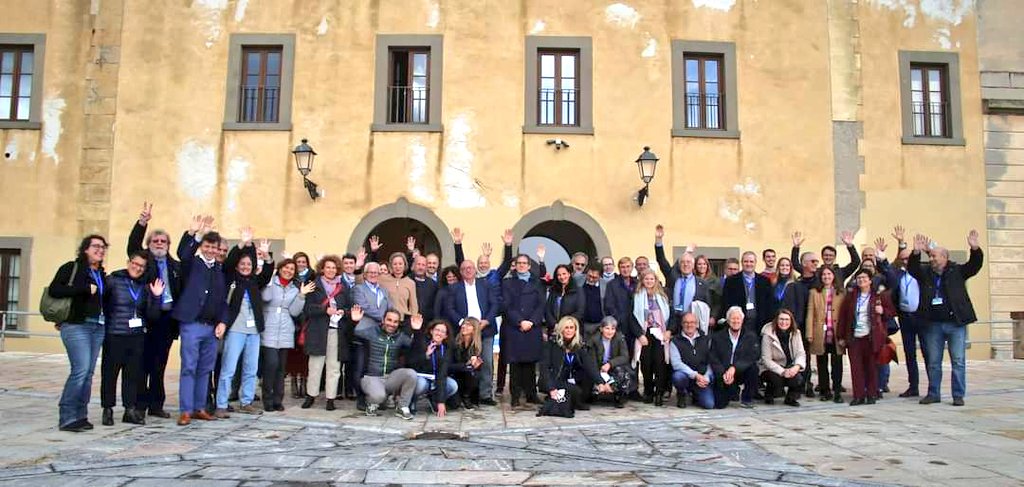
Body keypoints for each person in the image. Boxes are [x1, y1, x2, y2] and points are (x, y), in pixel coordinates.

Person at [910, 230, 983, 406]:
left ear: (945, 257)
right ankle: (933, 393)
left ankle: (958, 395)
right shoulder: (926, 272)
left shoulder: (957, 270)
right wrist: (916, 253)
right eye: (931, 256)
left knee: (958, 360)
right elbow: (912, 269)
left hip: (955, 324)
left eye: (935, 256)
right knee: (934, 362)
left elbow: (975, 265)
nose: (932, 259)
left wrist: (975, 249)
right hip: (933, 324)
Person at [127, 202, 182, 419]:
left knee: (160, 364)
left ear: (168, 244)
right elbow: (132, 245)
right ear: (149, 244)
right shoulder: (144, 261)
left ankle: (156, 405)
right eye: (155, 240)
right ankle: (140, 404)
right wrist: (142, 223)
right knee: (143, 363)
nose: (159, 243)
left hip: (167, 320)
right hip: (147, 318)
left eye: (163, 241)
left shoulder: (175, 266)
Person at [50, 234, 109, 432]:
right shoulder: (71, 268)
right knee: (80, 370)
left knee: (89, 373)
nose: (100, 250)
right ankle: (67, 416)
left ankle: (80, 415)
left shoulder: (101, 274)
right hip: (77, 326)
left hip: (98, 326)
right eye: (95, 246)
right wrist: (83, 288)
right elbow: (55, 290)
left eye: (103, 247)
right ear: (85, 249)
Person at [172, 215, 227, 426]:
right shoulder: (192, 263)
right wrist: (192, 233)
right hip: (191, 324)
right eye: (208, 246)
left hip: (211, 327)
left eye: (215, 247)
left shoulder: (219, 270)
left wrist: (223, 321)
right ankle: (185, 410)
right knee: (189, 367)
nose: (211, 250)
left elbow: (222, 300)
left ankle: (199, 407)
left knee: (205, 368)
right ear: (202, 246)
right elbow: (182, 253)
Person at [214, 231, 275, 418]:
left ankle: (246, 401)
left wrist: (266, 257)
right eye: (243, 264)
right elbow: (231, 260)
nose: (246, 266)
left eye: (249, 264)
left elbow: (267, 272)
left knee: (251, 368)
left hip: (254, 330)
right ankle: (221, 404)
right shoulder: (230, 278)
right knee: (229, 368)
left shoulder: (254, 281)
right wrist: (242, 244)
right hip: (235, 329)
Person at [101, 250, 164, 426]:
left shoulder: (144, 287)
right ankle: (107, 409)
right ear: (129, 262)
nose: (137, 268)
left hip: (136, 337)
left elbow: (152, 315)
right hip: (114, 334)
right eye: (134, 264)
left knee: (132, 375)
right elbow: (103, 305)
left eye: (141, 266)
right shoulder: (113, 280)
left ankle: (129, 409)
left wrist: (156, 297)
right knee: (110, 374)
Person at [260, 258, 315, 412]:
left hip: (285, 330)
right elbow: (265, 297)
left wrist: (301, 296)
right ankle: (267, 398)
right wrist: (270, 279)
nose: (288, 271)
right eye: (286, 267)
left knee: (281, 369)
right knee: (270, 365)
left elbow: (294, 311)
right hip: (269, 328)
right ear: (280, 268)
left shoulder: (294, 289)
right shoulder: (271, 282)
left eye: (292, 269)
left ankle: (278, 399)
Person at [444, 260, 500, 405]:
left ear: (475, 270)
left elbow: (495, 304)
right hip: (465, 331)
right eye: (464, 269)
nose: (467, 270)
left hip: (485, 328)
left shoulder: (485, 284)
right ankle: (466, 394)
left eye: (470, 268)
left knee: (486, 361)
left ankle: (485, 394)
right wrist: (463, 323)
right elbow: (450, 308)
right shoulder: (454, 288)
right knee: (466, 362)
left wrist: (487, 320)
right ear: (461, 272)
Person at [837, 269, 896, 405]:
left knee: (871, 367)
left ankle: (871, 394)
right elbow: (843, 317)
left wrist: (883, 311)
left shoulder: (879, 296)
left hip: (872, 336)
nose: (861, 280)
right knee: (856, 368)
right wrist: (841, 336)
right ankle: (858, 395)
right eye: (858, 278)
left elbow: (891, 313)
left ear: (870, 280)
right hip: (854, 337)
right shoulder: (851, 297)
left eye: (864, 278)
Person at [304, 255, 355, 411]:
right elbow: (307, 309)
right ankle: (311, 395)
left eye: (334, 267)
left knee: (334, 367)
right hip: (318, 330)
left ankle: (330, 398)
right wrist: (324, 310)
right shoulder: (314, 285)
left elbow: (350, 308)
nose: (331, 270)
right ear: (322, 269)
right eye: (328, 267)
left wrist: (342, 312)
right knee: (315, 365)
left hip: (336, 331)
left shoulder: (343, 287)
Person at [882, 226, 925, 398]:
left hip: (922, 318)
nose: (906, 261)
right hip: (906, 317)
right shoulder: (898, 275)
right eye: (903, 259)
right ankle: (913, 386)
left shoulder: (923, 273)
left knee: (928, 353)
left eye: (908, 258)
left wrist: (905, 244)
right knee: (909, 354)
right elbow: (887, 267)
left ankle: (932, 387)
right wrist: (899, 244)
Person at [355, 308, 418, 419]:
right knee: (379, 396)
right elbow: (353, 334)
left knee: (411, 374)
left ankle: (402, 407)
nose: (392, 324)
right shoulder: (372, 332)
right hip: (371, 377)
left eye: (395, 322)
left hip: (390, 378)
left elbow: (414, 347)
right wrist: (354, 322)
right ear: (383, 320)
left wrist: (416, 331)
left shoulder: (400, 337)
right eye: (389, 320)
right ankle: (372, 403)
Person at [539, 316, 613, 411]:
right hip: (555, 379)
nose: (569, 330)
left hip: (571, 378)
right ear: (561, 329)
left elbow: (589, 365)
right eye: (566, 328)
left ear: (575, 330)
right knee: (575, 391)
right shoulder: (551, 345)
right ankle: (570, 401)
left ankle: (572, 399)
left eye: (571, 328)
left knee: (587, 383)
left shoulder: (578, 345)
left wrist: (601, 382)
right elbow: (544, 369)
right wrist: (551, 389)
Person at [501, 254, 545, 408]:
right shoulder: (507, 282)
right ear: (515, 265)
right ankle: (515, 396)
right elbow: (507, 305)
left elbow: (541, 305)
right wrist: (520, 321)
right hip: (515, 326)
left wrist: (532, 321)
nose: (521, 265)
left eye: (524, 263)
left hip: (532, 327)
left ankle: (531, 394)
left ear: (529, 266)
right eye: (518, 263)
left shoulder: (537, 282)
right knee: (515, 364)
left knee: (530, 363)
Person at [781, 242, 820, 396]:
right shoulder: (795, 285)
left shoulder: (820, 282)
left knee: (819, 357)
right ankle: (801, 383)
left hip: (817, 325)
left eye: (817, 262)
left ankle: (821, 385)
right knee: (800, 355)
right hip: (799, 325)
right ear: (804, 264)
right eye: (813, 261)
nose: (816, 264)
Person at [629, 269, 672, 406]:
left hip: (661, 332)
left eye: (651, 279)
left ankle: (659, 392)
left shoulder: (663, 295)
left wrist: (669, 331)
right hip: (644, 333)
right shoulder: (636, 296)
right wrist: (639, 334)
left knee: (660, 363)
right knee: (646, 363)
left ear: (656, 280)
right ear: (642, 281)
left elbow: (671, 316)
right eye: (646, 279)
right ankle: (648, 391)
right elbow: (631, 317)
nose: (649, 281)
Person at [806, 266, 845, 403]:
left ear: (834, 276)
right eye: (824, 275)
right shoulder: (814, 292)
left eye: (829, 274)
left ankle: (837, 391)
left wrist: (844, 335)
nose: (826, 277)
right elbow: (810, 313)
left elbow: (845, 315)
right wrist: (809, 333)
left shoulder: (841, 292)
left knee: (837, 363)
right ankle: (825, 390)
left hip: (836, 333)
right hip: (820, 333)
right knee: (821, 363)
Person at [709, 306, 760, 409]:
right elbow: (713, 358)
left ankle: (747, 399)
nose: (735, 321)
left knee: (753, 368)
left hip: (741, 370)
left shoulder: (750, 336)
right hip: (723, 373)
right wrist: (723, 373)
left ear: (742, 320)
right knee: (719, 404)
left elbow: (752, 356)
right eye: (733, 318)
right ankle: (732, 391)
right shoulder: (718, 337)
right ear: (728, 320)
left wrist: (734, 368)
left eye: (738, 318)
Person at [408, 318, 458, 416]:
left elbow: (442, 374)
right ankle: (412, 400)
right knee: (421, 384)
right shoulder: (422, 342)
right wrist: (426, 355)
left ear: (446, 335)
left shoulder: (447, 349)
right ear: (431, 331)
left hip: (436, 379)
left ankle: (434, 399)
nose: (439, 333)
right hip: (421, 377)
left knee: (452, 385)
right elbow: (411, 363)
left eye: (443, 331)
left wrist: (441, 402)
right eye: (437, 330)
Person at [759, 309, 806, 407]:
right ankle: (769, 393)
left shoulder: (796, 333)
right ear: (776, 320)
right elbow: (766, 359)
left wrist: (796, 367)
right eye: (781, 319)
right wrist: (782, 371)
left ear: (791, 321)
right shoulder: (768, 334)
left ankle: (791, 398)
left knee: (798, 378)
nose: (784, 322)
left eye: (787, 320)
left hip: (790, 365)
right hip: (771, 368)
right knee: (776, 379)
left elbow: (800, 353)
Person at [719, 251, 773, 335]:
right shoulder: (731, 281)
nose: (748, 264)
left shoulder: (764, 281)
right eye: (746, 261)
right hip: (738, 324)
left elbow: (769, 304)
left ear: (755, 263)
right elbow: (726, 302)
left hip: (759, 324)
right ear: (742, 263)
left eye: (751, 261)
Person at [668, 313, 714, 409]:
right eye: (686, 322)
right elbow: (676, 364)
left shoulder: (705, 339)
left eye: (692, 322)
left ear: (696, 324)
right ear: (682, 324)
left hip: (702, 378)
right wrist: (695, 375)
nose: (689, 325)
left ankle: (696, 396)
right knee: (678, 376)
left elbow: (711, 361)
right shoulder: (675, 341)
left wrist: (706, 377)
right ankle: (682, 394)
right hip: (686, 376)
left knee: (709, 405)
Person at [287, 252, 316, 400]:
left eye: (304, 261)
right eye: (298, 261)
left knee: (306, 354)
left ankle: (304, 382)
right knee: (293, 354)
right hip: (293, 319)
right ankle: (293, 382)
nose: (301, 264)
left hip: (308, 319)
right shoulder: (291, 278)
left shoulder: (313, 277)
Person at [587, 316, 630, 408]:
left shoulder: (620, 338)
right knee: (589, 374)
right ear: (601, 329)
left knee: (622, 372)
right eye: (607, 328)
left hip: (612, 366)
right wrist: (601, 380)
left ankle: (618, 396)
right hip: (598, 367)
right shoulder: (594, 340)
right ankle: (595, 394)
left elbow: (625, 357)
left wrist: (610, 364)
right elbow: (592, 362)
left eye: (613, 329)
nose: (610, 331)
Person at [791, 230, 860, 284]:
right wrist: (796, 247)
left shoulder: (841, 272)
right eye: (826, 255)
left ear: (835, 257)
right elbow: (796, 265)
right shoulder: (815, 272)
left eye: (831, 255)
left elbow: (856, 262)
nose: (828, 257)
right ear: (822, 256)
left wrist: (850, 246)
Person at [603, 257, 637, 361]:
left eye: (627, 267)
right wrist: (619, 320)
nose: (625, 269)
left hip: (636, 326)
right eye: (622, 267)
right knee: (620, 355)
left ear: (632, 268)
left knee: (635, 357)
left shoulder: (637, 284)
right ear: (619, 268)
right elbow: (609, 305)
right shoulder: (612, 285)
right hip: (620, 326)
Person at [450, 318, 484, 410]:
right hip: (454, 375)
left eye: (468, 325)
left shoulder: (477, 346)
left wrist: (476, 364)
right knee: (454, 405)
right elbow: (449, 365)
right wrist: (465, 365)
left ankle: (467, 396)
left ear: (474, 329)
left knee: (474, 372)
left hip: (467, 377)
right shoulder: (454, 343)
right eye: (464, 324)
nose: (464, 326)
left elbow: (478, 367)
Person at [378, 252, 418, 323]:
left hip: (403, 320)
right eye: (395, 264)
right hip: (386, 320)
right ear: (391, 266)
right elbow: (367, 278)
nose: (398, 266)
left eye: (400, 264)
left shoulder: (410, 283)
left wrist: (413, 321)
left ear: (404, 265)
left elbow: (413, 306)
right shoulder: (382, 279)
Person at [545, 264, 585, 333]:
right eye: (559, 275)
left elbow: (580, 311)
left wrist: (564, 325)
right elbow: (547, 310)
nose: (562, 277)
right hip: (554, 329)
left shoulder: (578, 290)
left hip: (571, 329)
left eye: (564, 274)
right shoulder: (554, 291)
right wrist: (554, 325)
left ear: (569, 274)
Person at [579, 264, 607, 341]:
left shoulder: (605, 285)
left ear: (600, 276)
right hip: (581, 324)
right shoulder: (577, 280)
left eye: (594, 277)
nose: (591, 279)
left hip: (599, 325)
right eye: (589, 276)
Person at [411, 255, 438, 322]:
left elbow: (435, 305)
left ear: (426, 267)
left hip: (426, 323)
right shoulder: (407, 281)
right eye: (418, 264)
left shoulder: (433, 284)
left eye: (423, 265)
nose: (420, 267)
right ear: (414, 265)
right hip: (408, 322)